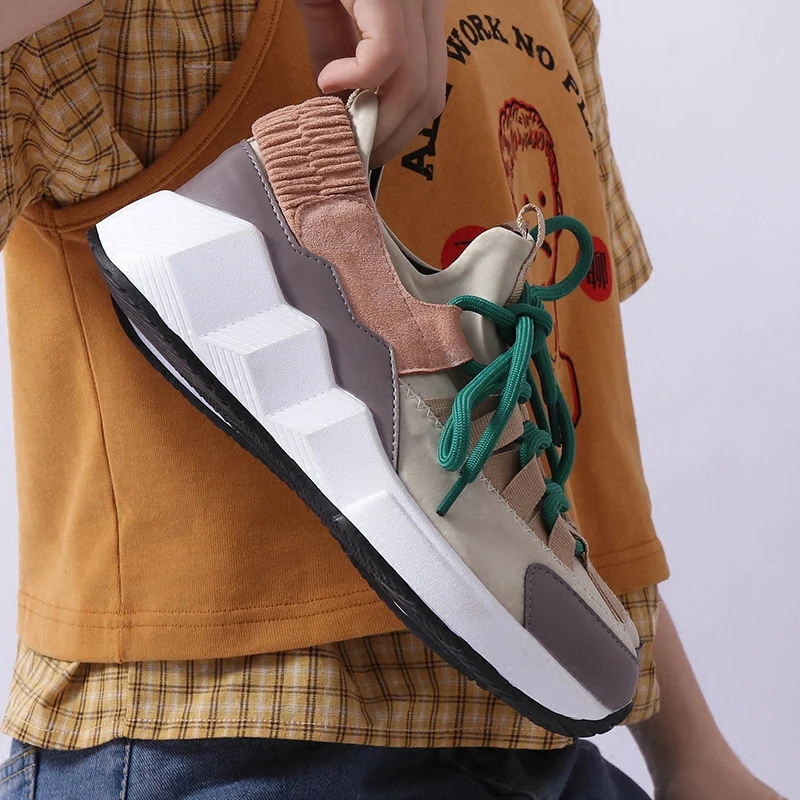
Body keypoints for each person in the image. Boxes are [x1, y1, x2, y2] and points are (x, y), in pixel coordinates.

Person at [0, 1, 782, 797]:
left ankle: (358, 280)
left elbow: (556, 433)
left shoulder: (562, 10)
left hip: (542, 741)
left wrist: (692, 754)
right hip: (226, 735)